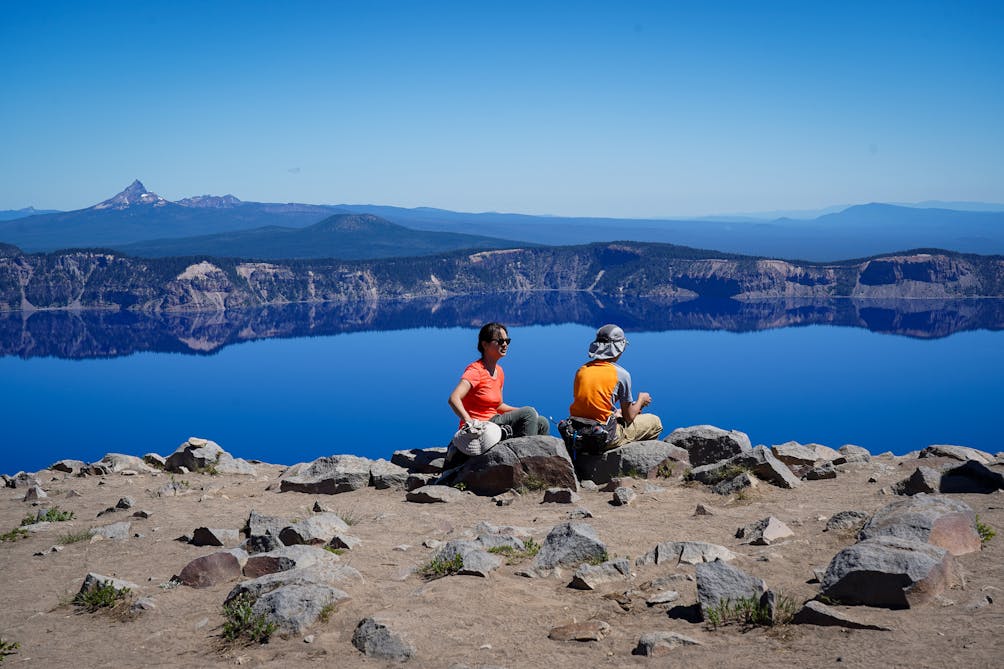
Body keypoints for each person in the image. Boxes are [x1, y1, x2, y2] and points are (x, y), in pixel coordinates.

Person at [448, 323, 550, 452]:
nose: (505, 344)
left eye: (507, 341)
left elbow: (498, 405)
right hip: (482, 427)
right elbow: (454, 398)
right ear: (485, 344)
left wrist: (522, 411)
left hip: (495, 423)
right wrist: (469, 421)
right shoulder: (476, 370)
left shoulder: (499, 371)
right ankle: (526, 460)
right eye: (500, 341)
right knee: (528, 413)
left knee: (541, 421)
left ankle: (539, 460)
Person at [566, 324, 662, 450]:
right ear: (620, 348)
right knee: (655, 422)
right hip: (603, 436)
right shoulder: (621, 374)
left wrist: (616, 413)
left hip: (578, 431)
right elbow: (629, 417)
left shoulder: (582, 370)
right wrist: (641, 400)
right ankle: (636, 460)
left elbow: (591, 404)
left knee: (619, 414)